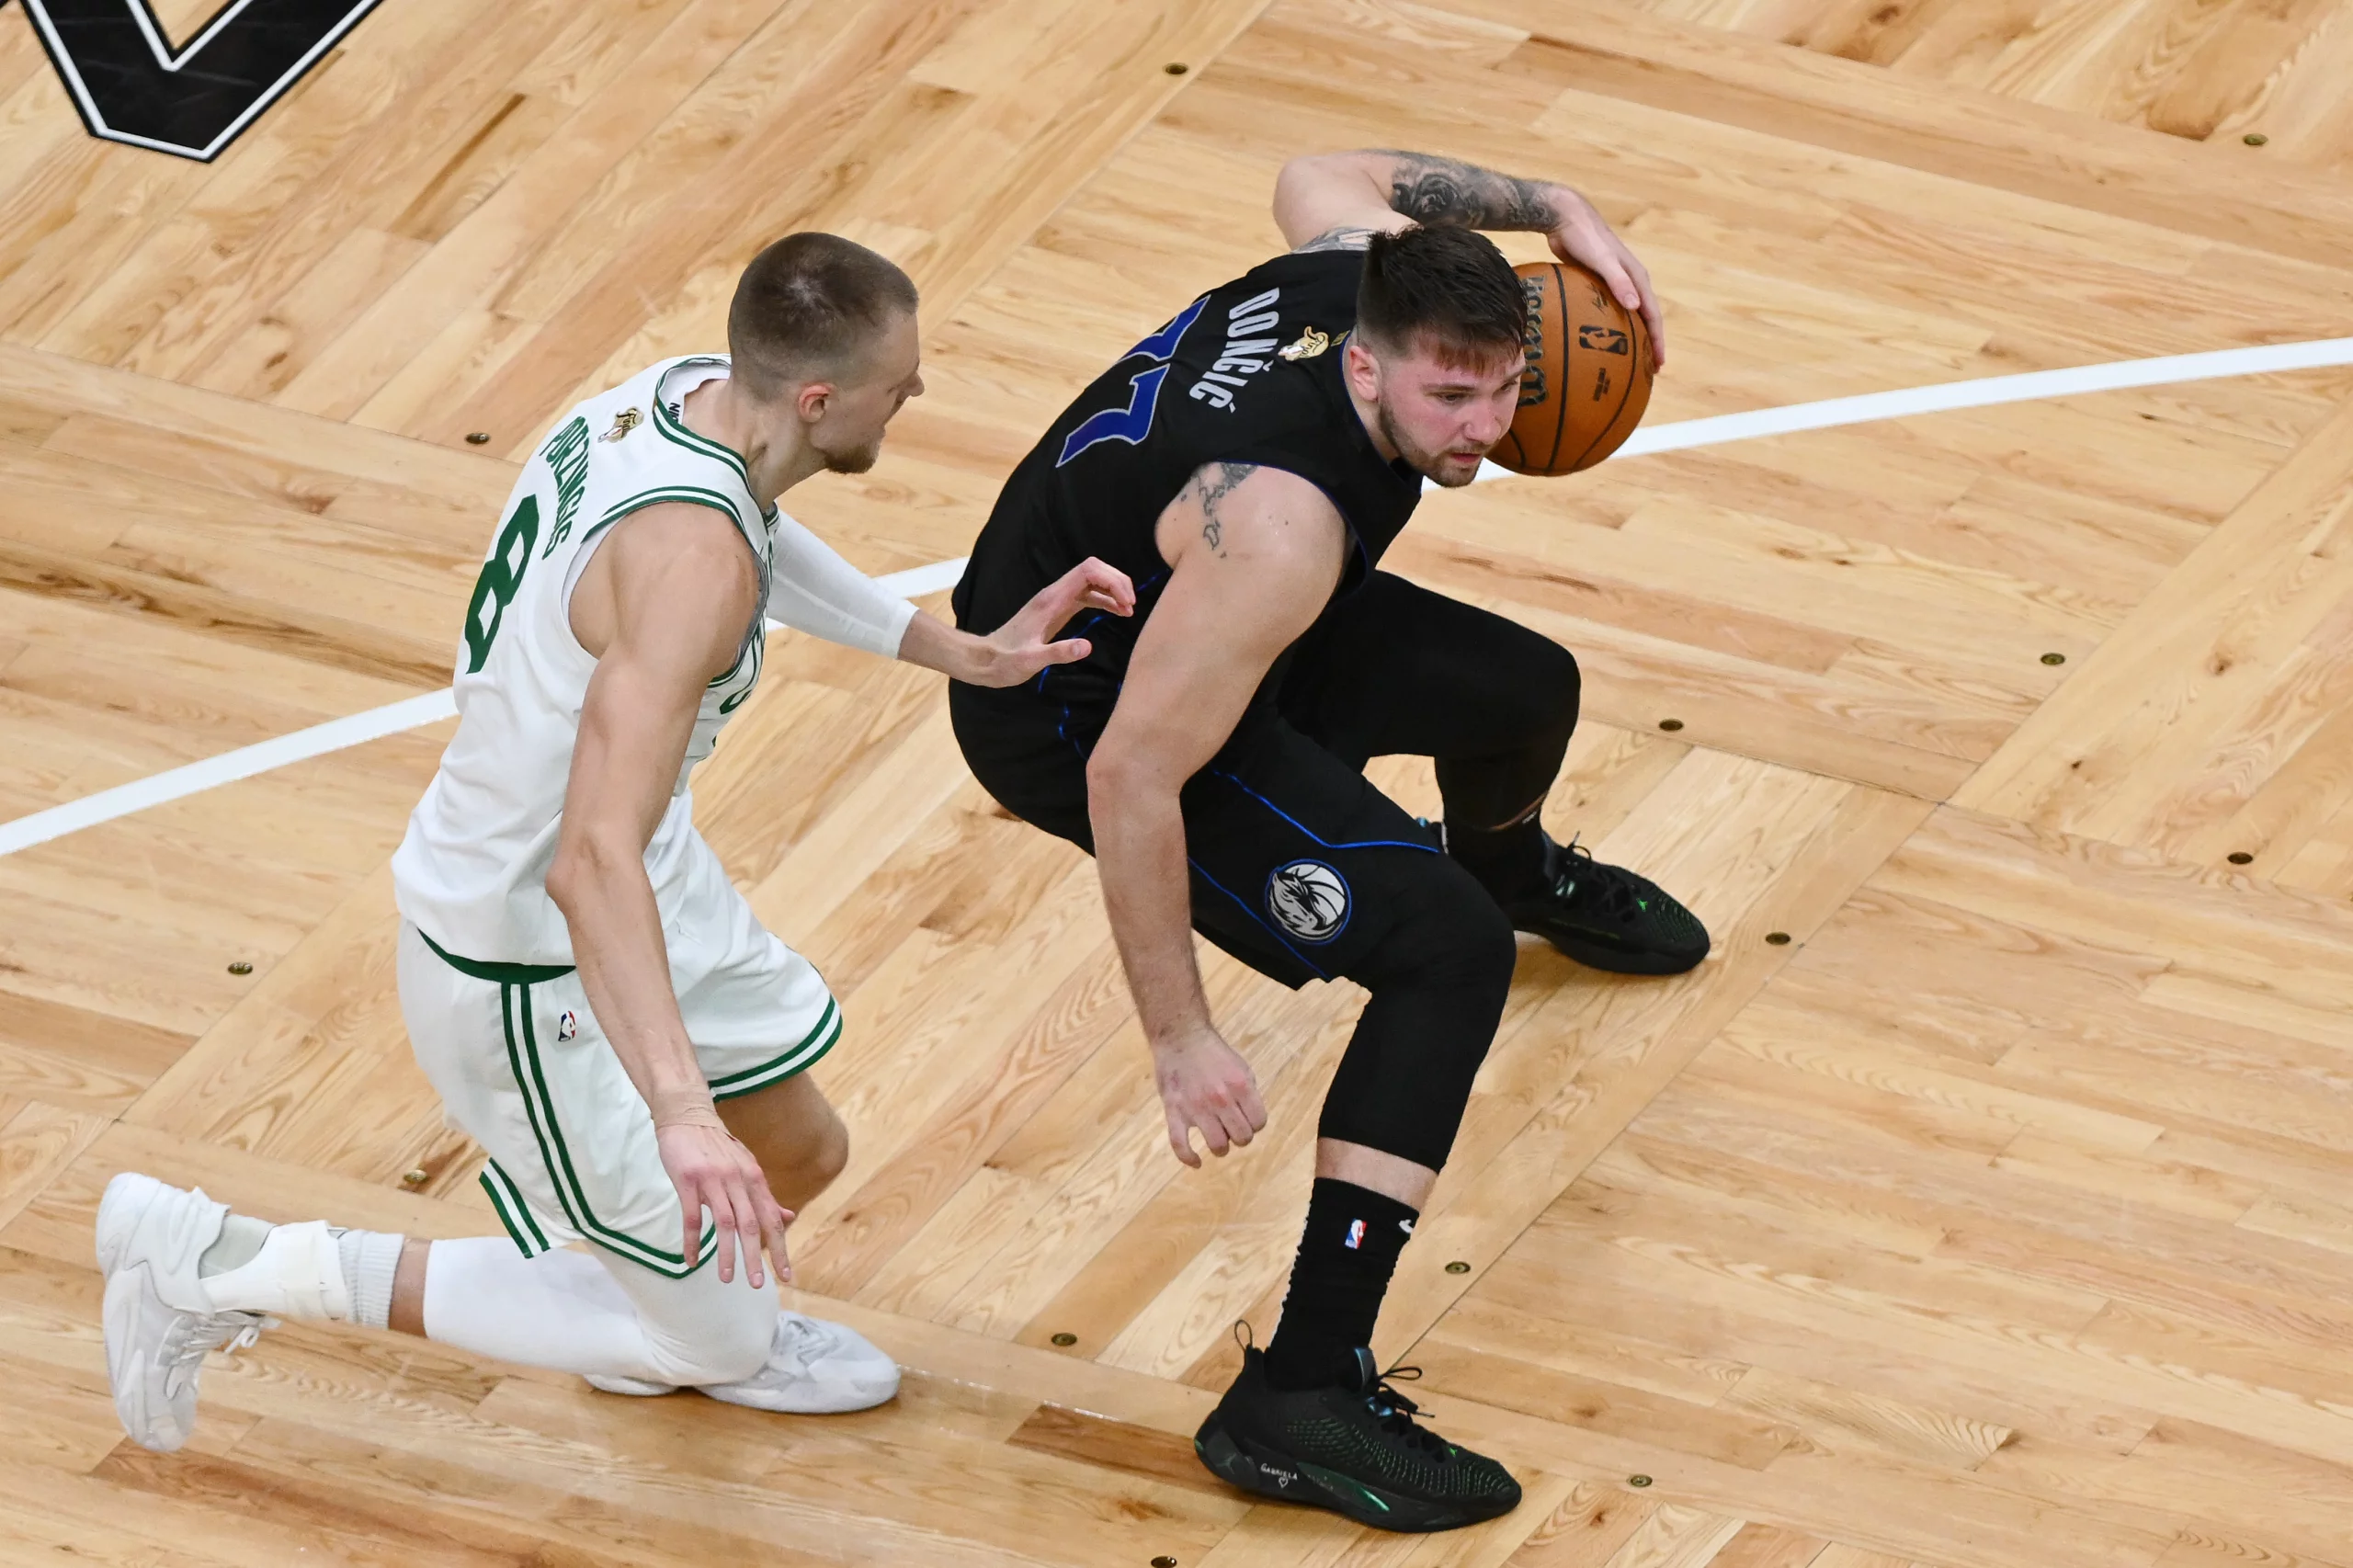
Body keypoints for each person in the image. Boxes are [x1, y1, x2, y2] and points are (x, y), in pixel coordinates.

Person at [98, 233, 1134, 1453]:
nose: (914, 396)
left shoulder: (686, 395)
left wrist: (956, 649)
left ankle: (662, 1299)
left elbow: (751, 527)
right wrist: (678, 1108)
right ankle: (220, 1261)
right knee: (713, 1321)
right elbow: (586, 859)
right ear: (817, 399)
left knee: (801, 1146)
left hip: (642, 868)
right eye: (899, 383)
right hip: (527, 951)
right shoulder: (688, 557)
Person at [948, 149, 1706, 1532]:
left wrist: (1557, 211)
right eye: (1449, 393)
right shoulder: (1281, 526)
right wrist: (1179, 1037)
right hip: (1081, 707)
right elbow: (1131, 775)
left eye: (1507, 387)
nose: (1486, 427)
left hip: (1200, 619)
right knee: (1445, 959)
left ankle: (1509, 866)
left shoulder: (1353, 263)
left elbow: (1320, 165)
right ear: (1368, 370)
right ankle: (1297, 1394)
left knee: (1523, 690)